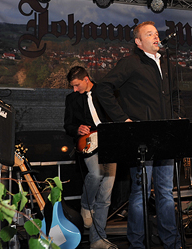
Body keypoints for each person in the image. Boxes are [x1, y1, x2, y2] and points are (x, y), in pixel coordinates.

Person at [94, 21, 181, 249]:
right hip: (141, 137)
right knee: (141, 192)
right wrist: (123, 119)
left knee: (165, 192)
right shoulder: (131, 63)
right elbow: (102, 88)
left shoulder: (165, 64)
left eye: (156, 33)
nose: (156, 37)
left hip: (164, 136)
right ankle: (137, 244)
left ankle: (171, 243)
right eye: (149, 34)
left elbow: (170, 97)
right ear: (138, 42)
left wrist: (175, 117)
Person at [63, 66, 118, 249]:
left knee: (106, 196)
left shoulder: (104, 92)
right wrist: (77, 128)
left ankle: (97, 239)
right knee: (95, 173)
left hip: (110, 141)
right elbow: (67, 125)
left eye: (77, 85)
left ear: (86, 79)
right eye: (72, 86)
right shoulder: (72, 99)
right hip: (88, 143)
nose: (74, 89)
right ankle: (86, 205)